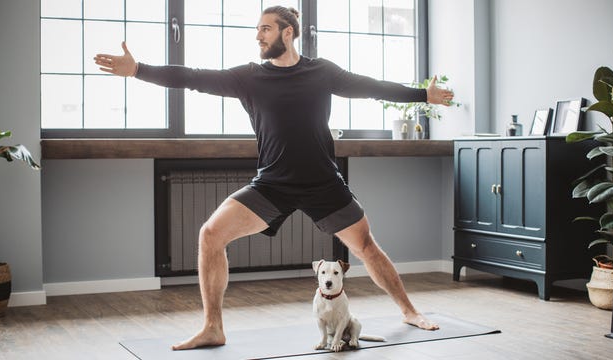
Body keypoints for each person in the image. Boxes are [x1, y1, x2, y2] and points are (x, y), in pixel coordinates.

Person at [95, 6, 455, 351]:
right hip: (272, 184)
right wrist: (138, 69)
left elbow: (369, 87)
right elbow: (192, 77)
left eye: (264, 29)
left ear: (287, 32)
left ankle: (410, 311)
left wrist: (424, 94)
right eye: (257, 30)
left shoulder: (321, 72)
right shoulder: (249, 77)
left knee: (366, 247)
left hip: (323, 182)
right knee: (210, 234)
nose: (258, 37)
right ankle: (213, 327)